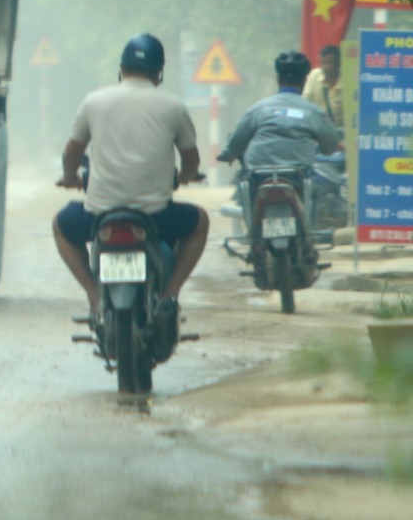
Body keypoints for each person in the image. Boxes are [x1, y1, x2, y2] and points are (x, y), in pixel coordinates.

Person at [54, 34, 209, 321]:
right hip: (155, 216)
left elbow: (71, 154)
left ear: (121, 70)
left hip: (99, 213)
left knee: (61, 226)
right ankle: (169, 296)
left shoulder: (94, 101)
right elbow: (191, 159)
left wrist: (69, 177)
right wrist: (187, 175)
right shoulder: (173, 106)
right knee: (200, 222)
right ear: (158, 74)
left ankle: (93, 294)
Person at [221, 51, 343, 215]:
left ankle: (252, 224)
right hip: (298, 178)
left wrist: (229, 154)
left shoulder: (258, 109)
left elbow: (237, 141)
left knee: (244, 186)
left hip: (259, 176)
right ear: (304, 81)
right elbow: (330, 146)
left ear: (278, 80)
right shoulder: (313, 112)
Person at [302, 44, 344, 131]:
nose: (325, 67)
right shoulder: (314, 76)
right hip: (316, 130)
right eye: (322, 63)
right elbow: (304, 103)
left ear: (339, 63)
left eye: (329, 63)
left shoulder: (347, 82)